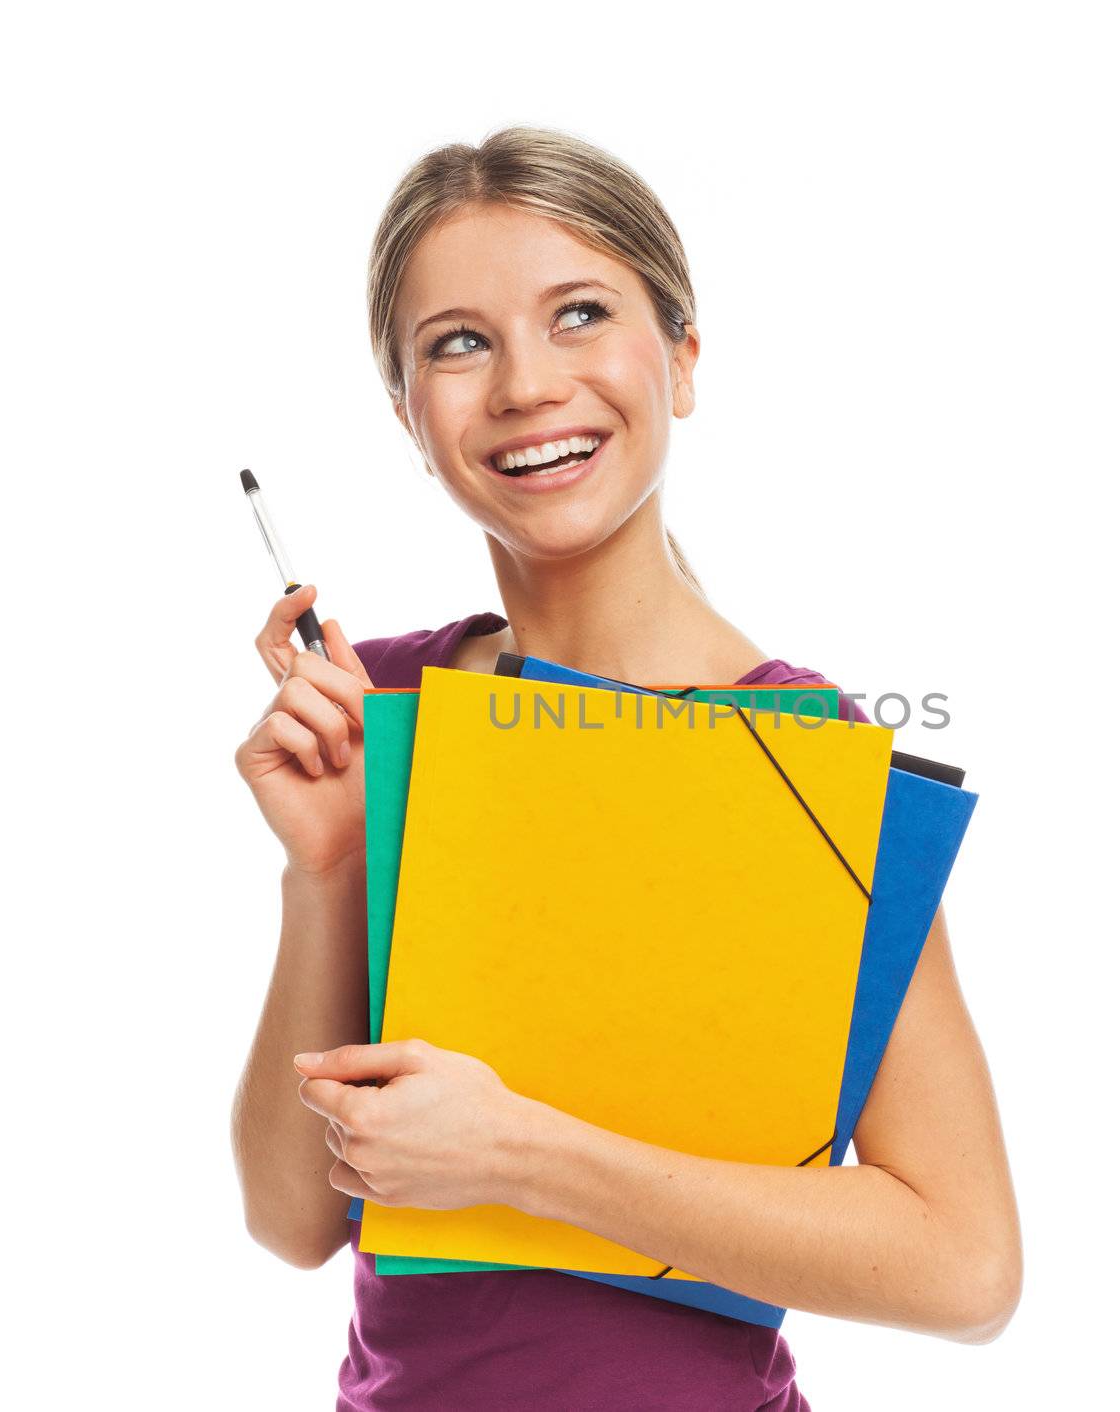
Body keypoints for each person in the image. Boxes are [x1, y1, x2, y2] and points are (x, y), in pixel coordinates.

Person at [231, 125, 1022, 1411]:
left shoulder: (798, 759)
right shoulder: (387, 706)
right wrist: (325, 869)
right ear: (408, 416)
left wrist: (520, 1154)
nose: (526, 385)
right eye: (458, 342)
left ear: (682, 359)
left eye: (580, 313)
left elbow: (966, 1264)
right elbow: (290, 1218)